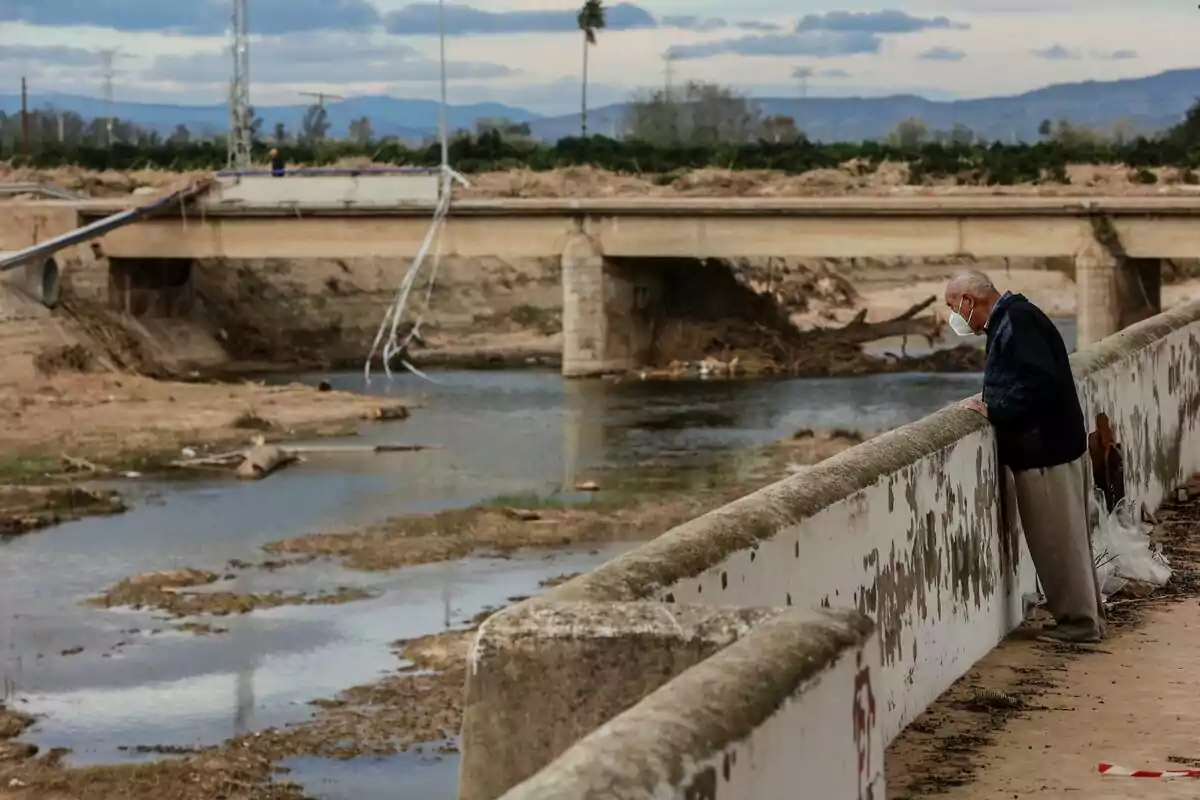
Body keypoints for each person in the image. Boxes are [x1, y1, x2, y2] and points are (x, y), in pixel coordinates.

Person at [945, 270, 1106, 644]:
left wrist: (996, 410)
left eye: (953, 305)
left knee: (1057, 544)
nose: (953, 314)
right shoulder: (1014, 318)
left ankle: (1079, 625)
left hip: (1045, 451)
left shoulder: (1017, 322)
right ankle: (1086, 619)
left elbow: (1039, 380)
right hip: (1053, 446)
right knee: (1068, 541)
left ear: (970, 301)